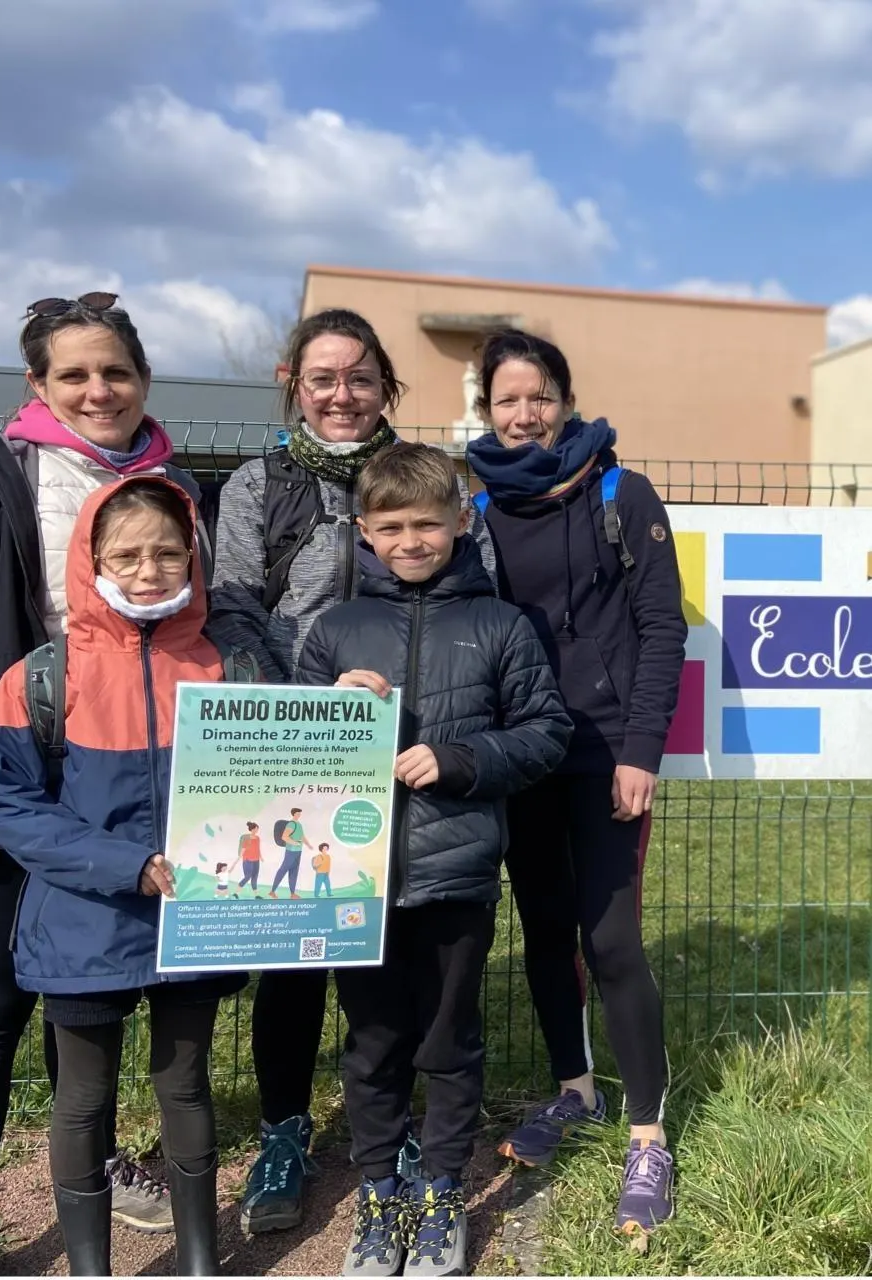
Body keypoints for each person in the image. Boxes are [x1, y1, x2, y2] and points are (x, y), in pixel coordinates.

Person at [0, 293, 201, 1274]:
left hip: (128, 782)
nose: (98, 390)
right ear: (37, 385)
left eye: (116, 371)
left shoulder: (175, 486)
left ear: (143, 379)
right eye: (75, 375)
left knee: (95, 991)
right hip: (7, 774)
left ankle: (93, 1160)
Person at [209, 307, 496, 1234]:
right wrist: (305, 704)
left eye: (361, 378)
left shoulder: (428, 477)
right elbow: (232, 605)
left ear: (386, 387)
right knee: (296, 957)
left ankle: (402, 1134)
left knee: (399, 962)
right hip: (300, 744)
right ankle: (285, 1132)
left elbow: (477, 590)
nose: (343, 394)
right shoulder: (258, 484)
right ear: (294, 384)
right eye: (324, 378)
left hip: (417, 746)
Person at [295, 442, 572, 1276]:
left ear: (459, 522)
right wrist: (327, 709)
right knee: (372, 1043)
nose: (410, 541)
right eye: (391, 527)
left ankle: (444, 1188)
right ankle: (380, 1191)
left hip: (456, 874)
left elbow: (546, 731)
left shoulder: (500, 625)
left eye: (426, 523)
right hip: (353, 878)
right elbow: (286, 751)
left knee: (449, 1043)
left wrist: (462, 760)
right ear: (363, 531)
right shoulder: (334, 629)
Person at [0, 476, 248, 1276]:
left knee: (185, 1085)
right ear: (91, 561)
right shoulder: (43, 678)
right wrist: (126, 865)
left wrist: (353, 694)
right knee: (83, 1097)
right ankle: (91, 1267)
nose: (149, 570)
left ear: (193, 555)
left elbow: (285, 766)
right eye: (126, 555)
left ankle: (200, 1260)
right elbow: (3, 801)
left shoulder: (230, 664)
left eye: (168, 552)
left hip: (196, 915)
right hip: (85, 920)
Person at [466, 329, 687, 1235]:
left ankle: (648, 1135)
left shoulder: (619, 493)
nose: (526, 414)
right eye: (507, 400)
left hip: (605, 756)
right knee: (548, 933)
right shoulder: (475, 506)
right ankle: (576, 1091)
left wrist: (641, 751)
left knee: (613, 942)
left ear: (565, 401)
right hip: (520, 756)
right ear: (486, 410)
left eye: (541, 397)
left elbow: (663, 628)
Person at [269, 806, 312, 899]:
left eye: (300, 813)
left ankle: (292, 893)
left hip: (298, 851)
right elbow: (284, 837)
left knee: (294, 871)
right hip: (291, 851)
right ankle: (272, 891)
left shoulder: (299, 824)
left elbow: (302, 836)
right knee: (283, 869)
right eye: (298, 813)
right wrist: (294, 843)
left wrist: (308, 845)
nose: (299, 815)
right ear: (294, 814)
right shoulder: (291, 824)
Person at [234, 822, 262, 895]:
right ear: (252, 829)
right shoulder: (247, 839)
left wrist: (261, 857)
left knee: (255, 877)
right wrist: (238, 858)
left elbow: (258, 848)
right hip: (247, 860)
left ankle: (256, 895)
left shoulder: (258, 838)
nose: (257, 830)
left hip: (256, 860)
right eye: (256, 829)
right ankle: (236, 892)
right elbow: (243, 849)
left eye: (257, 829)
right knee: (247, 877)